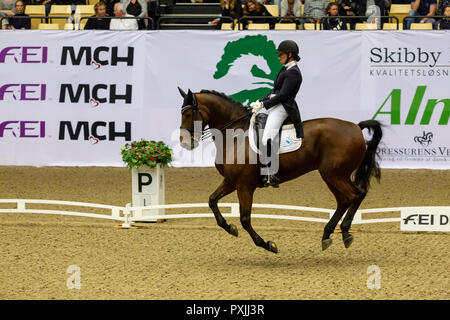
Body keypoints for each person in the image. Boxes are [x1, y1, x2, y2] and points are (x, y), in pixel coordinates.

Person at [250, 40, 304, 188]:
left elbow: (283, 95)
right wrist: (259, 101)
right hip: (276, 105)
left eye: (281, 54)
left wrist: (264, 105)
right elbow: (274, 91)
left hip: (283, 108)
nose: (278, 57)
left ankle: (270, 173)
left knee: (267, 136)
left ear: (290, 55)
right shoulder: (285, 69)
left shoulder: (293, 73)